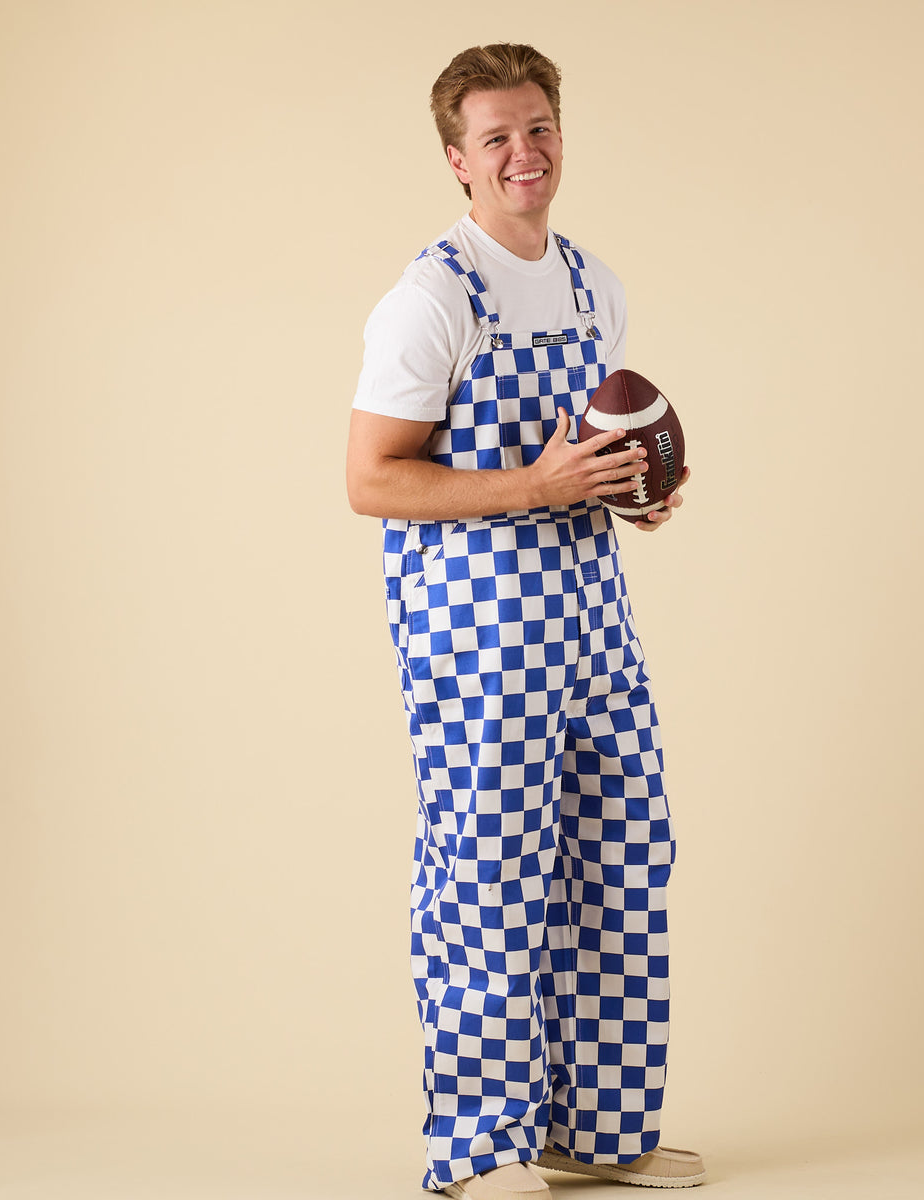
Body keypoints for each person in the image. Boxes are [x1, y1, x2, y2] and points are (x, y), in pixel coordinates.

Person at [346, 43, 704, 1199]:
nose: (522, 152)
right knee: (491, 873)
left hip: (590, 609)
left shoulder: (599, 285)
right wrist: (538, 489)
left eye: (538, 127)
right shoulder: (431, 298)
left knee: (621, 859)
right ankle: (480, 1150)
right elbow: (372, 481)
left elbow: (586, 459)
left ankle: (599, 1137)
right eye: (495, 136)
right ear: (457, 159)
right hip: (475, 624)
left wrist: (633, 496)